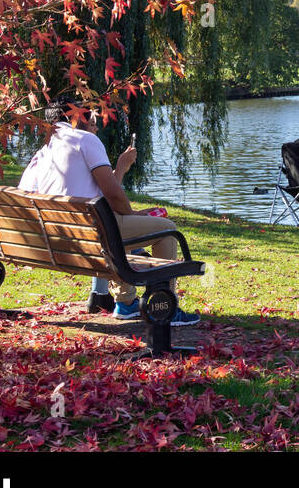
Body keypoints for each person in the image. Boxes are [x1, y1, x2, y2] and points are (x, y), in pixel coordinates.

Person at [17, 99, 200, 325]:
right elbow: (113, 196)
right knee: (166, 229)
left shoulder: (44, 151)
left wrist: (127, 198)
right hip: (91, 235)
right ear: (73, 116)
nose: (93, 123)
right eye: (86, 115)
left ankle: (126, 303)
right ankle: (163, 306)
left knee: (116, 230)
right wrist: (130, 210)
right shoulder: (86, 140)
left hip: (56, 238)